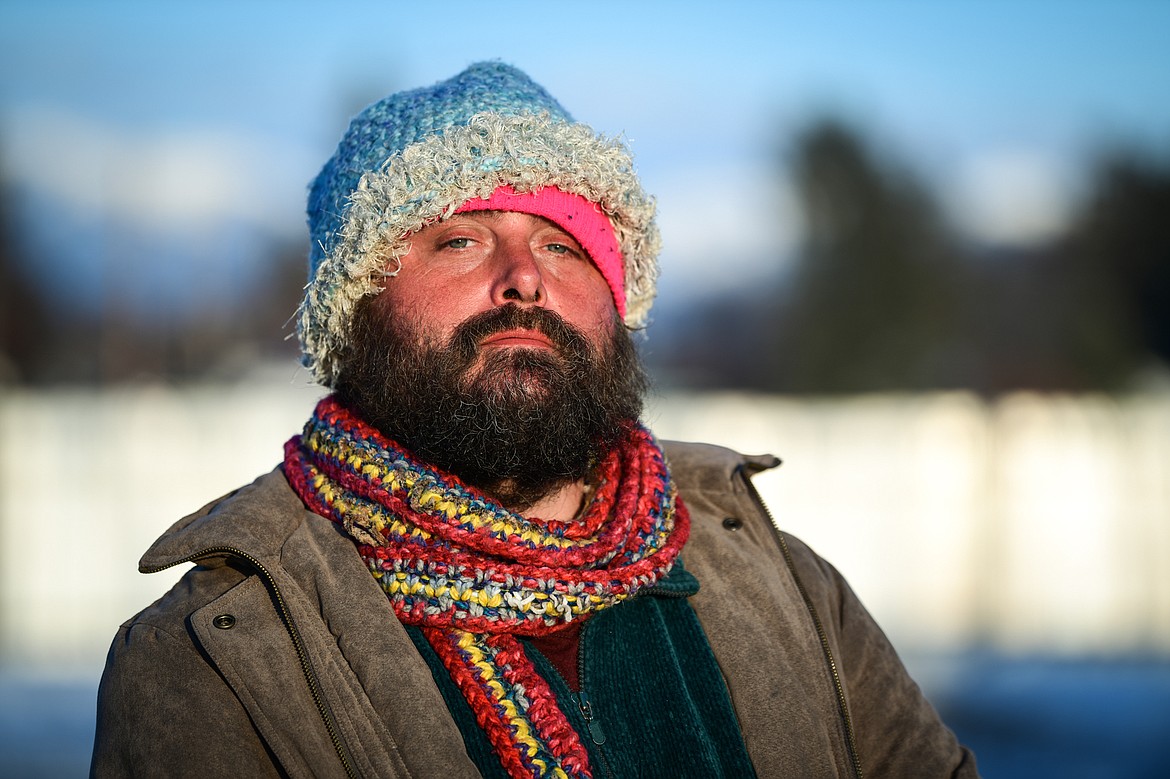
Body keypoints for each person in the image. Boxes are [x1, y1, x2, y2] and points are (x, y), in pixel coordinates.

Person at [91, 62, 978, 778]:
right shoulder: (216, 656)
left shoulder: (781, 579)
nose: (525, 277)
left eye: (563, 243)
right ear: (354, 310)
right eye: (460, 239)